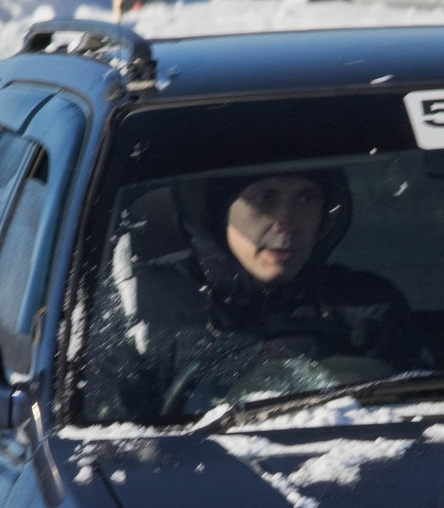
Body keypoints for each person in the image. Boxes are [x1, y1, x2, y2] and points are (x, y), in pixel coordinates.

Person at [85, 169, 410, 423]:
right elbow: (107, 443)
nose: (286, 224)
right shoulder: (140, 304)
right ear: (218, 209)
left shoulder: (367, 305)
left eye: (307, 198)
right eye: (266, 198)